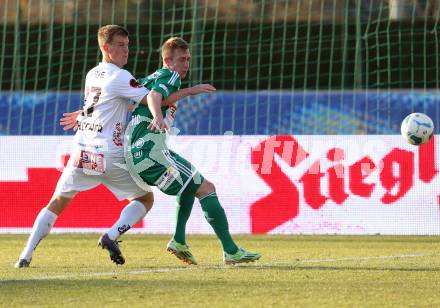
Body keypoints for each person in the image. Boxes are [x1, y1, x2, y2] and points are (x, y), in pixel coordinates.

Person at [15, 25, 214, 268]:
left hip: (81, 153)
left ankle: (25, 256)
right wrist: (190, 91)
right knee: (145, 199)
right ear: (106, 47)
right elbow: (154, 98)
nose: (126, 51)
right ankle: (111, 235)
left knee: (56, 202)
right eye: (120, 45)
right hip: (109, 155)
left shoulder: (92, 74)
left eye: (127, 46)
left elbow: (101, 104)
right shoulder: (121, 76)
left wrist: (81, 113)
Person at [125, 37, 261, 265]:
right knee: (207, 189)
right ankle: (231, 251)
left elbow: (139, 101)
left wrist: (190, 91)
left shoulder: (151, 78)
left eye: (188, 59)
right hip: (152, 152)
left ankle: (178, 240)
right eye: (181, 59)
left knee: (189, 187)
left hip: (138, 154)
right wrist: (158, 116)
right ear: (167, 60)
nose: (186, 64)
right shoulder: (171, 75)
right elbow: (154, 97)